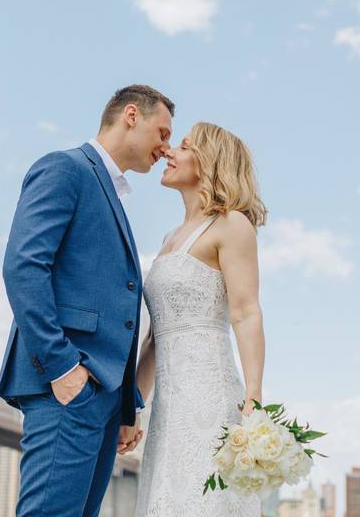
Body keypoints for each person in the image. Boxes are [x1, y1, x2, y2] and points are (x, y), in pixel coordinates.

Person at [0, 84, 174, 517]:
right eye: (163, 132)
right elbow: (23, 266)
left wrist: (126, 402)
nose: (166, 148)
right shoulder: (66, 169)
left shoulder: (112, 192)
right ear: (131, 115)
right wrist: (63, 369)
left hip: (103, 397)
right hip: (67, 385)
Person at [133, 121, 268, 517]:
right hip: (167, 408)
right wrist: (133, 407)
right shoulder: (168, 239)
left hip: (210, 393)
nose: (170, 152)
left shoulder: (232, 225)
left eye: (185, 146)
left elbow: (246, 313)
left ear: (209, 163)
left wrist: (254, 399)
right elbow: (155, 339)